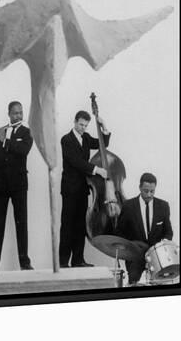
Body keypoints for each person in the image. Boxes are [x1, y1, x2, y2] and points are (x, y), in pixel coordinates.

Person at [0, 101, 34, 272]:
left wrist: (5, 141)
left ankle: (25, 263)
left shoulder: (27, 133)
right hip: (0, 185)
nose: (18, 116)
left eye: (20, 112)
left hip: (18, 185)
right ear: (9, 114)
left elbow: (23, 150)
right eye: (15, 113)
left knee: (22, 223)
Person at [59, 110, 109, 268]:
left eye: (85, 126)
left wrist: (104, 127)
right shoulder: (66, 140)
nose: (83, 128)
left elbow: (102, 144)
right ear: (74, 122)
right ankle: (63, 262)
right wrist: (96, 170)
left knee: (81, 225)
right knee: (67, 226)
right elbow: (76, 162)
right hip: (69, 189)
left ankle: (78, 260)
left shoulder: (86, 138)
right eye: (81, 124)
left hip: (82, 189)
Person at [116, 172, 173, 285]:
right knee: (134, 284)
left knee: (159, 285)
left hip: (157, 256)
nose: (149, 195)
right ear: (140, 187)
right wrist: (127, 247)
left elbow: (168, 232)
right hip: (135, 255)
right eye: (146, 191)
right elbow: (120, 232)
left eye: (152, 191)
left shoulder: (163, 206)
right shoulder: (128, 206)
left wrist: (164, 244)